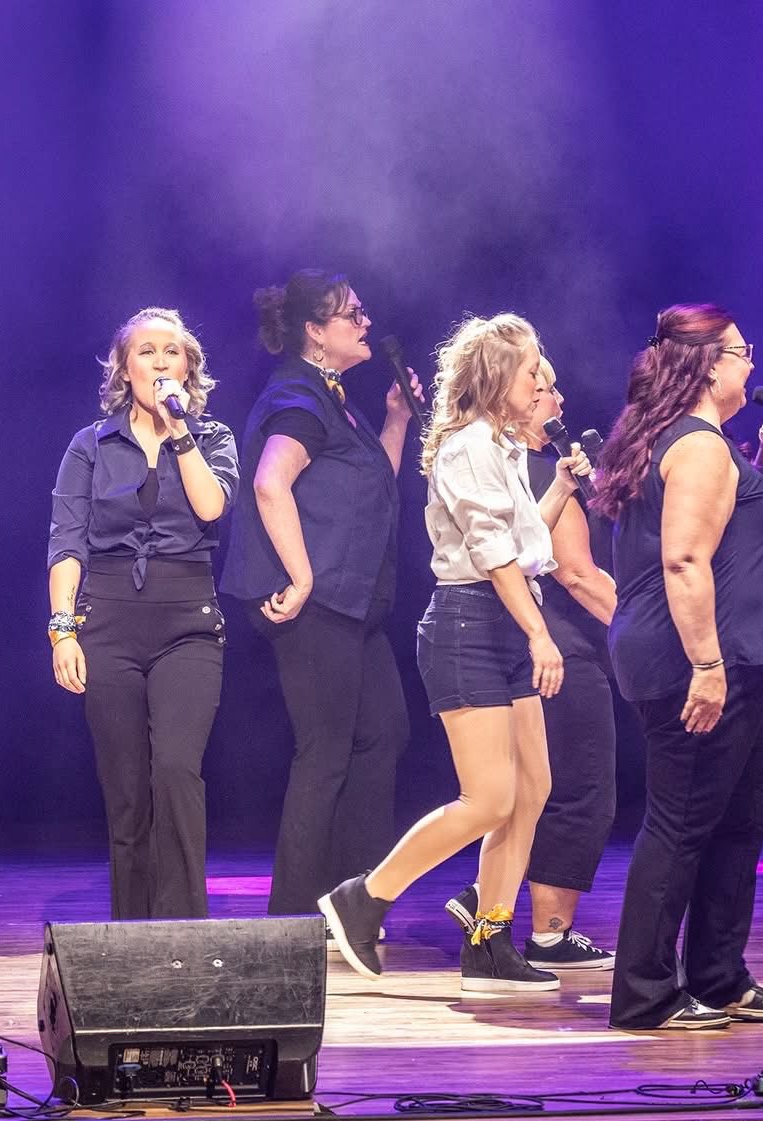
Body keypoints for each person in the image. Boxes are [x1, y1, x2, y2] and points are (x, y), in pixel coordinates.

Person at [318, 314, 590, 993]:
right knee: (491, 797)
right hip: (470, 624)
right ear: (498, 378)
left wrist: (560, 487)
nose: (541, 383)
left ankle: (489, 939)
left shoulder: (503, 449)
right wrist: (540, 633)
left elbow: (523, 544)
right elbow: (492, 556)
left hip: (505, 618)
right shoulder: (468, 446)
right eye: (532, 372)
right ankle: (363, 897)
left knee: (532, 790)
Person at [588, 304, 763, 1030]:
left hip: (729, 659)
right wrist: (708, 665)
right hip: (698, 659)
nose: (753, 365)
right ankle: (644, 993)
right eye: (743, 352)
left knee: (742, 812)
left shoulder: (703, 443)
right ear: (709, 365)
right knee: (681, 820)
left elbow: (752, 524)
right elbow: (684, 559)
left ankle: (718, 977)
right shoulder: (696, 447)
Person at [219, 270, 418, 917]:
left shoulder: (336, 399)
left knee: (382, 733)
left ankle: (351, 900)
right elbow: (270, 482)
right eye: (352, 314)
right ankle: (295, 917)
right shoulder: (299, 394)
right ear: (314, 330)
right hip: (316, 602)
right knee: (325, 751)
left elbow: (373, 483)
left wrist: (397, 419)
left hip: (351, 602)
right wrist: (301, 576)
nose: (366, 323)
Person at [48, 308, 238, 919]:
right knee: (126, 790)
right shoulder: (90, 445)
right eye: (146, 352)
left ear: (188, 366)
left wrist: (179, 430)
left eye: (172, 352)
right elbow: (67, 543)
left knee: (177, 771)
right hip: (107, 623)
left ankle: (185, 929)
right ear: (124, 368)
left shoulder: (212, 438)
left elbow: (211, 509)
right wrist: (62, 630)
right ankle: (132, 936)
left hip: (188, 625)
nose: (160, 362)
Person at [442, 357, 619, 972]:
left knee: (538, 788)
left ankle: (492, 902)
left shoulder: (540, 472)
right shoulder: (530, 468)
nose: (558, 398)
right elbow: (575, 574)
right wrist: (648, 633)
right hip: (557, 645)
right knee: (578, 785)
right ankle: (545, 929)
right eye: (543, 388)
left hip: (537, 644)